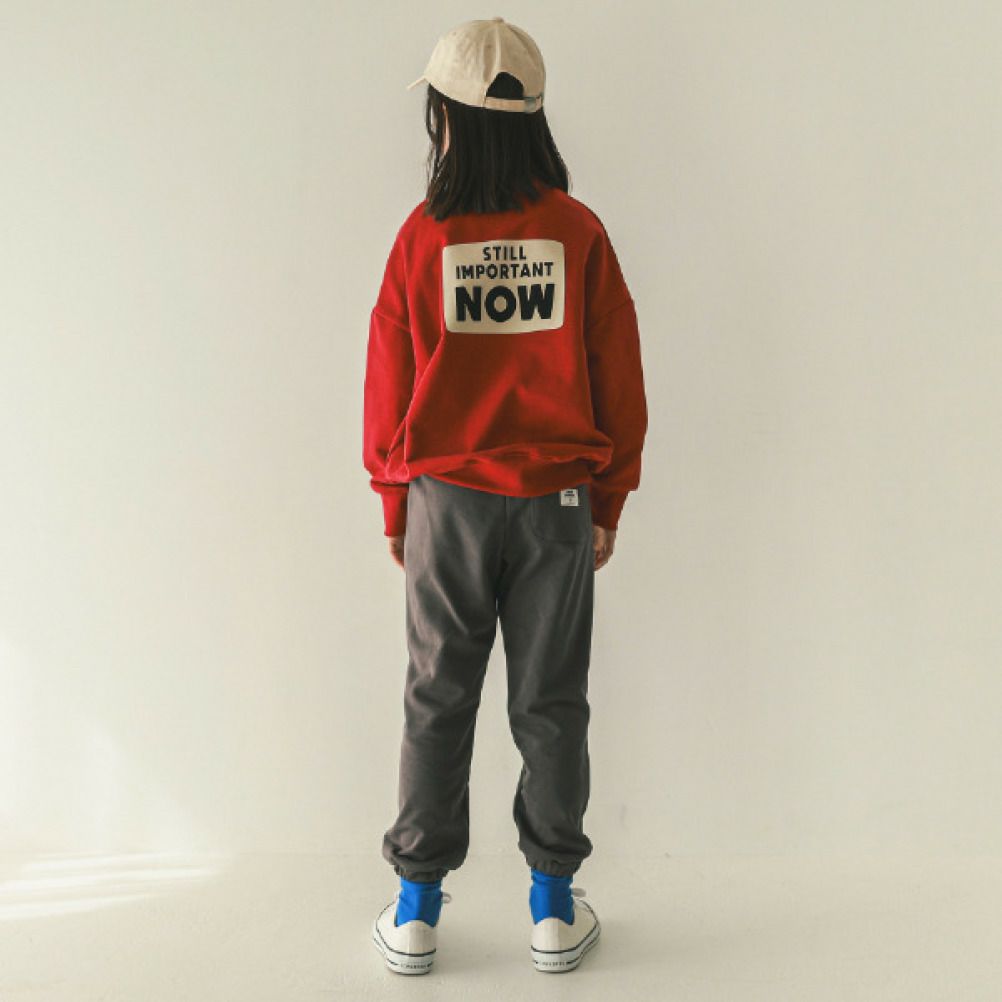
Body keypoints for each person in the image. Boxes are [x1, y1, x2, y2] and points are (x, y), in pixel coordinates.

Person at [364, 17, 648, 975]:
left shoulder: (423, 237)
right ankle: (553, 910)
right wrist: (607, 500)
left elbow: (389, 380)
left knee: (436, 696)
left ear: (446, 120)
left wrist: (396, 503)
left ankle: (415, 911)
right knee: (551, 702)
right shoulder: (578, 233)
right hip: (557, 504)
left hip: (446, 501)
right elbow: (619, 375)